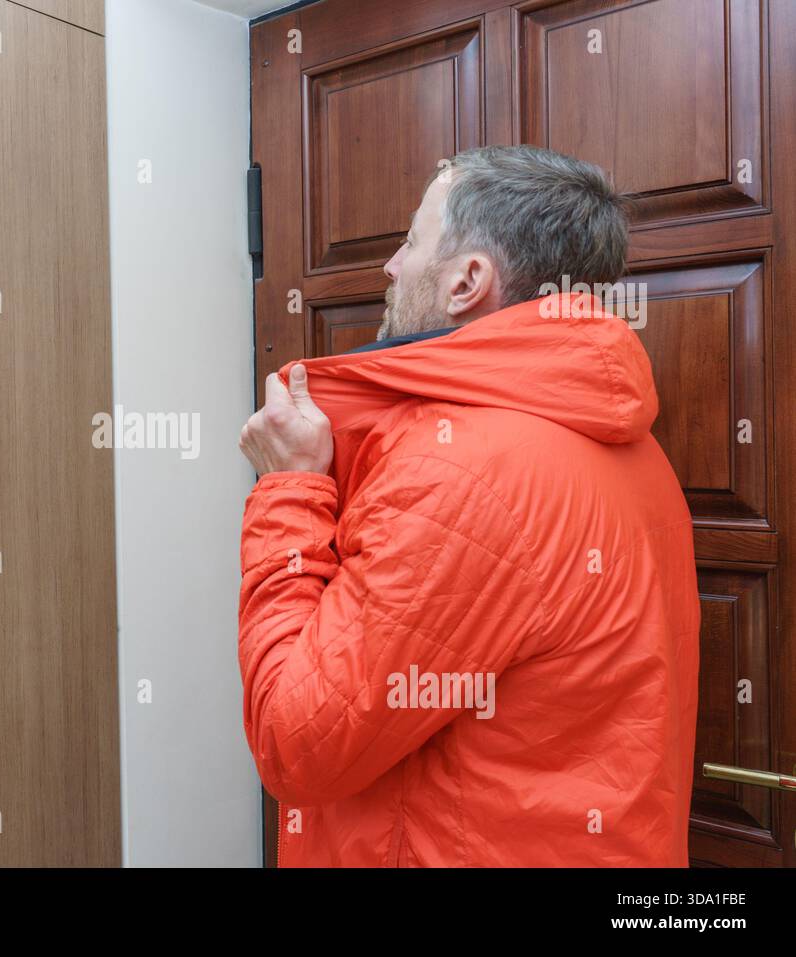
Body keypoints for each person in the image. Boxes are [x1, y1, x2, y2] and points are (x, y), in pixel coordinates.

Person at [237, 145, 699, 866]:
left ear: (467, 280)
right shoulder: (635, 448)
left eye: (413, 240)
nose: (390, 266)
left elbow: (297, 746)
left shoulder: (460, 472)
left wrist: (288, 488)